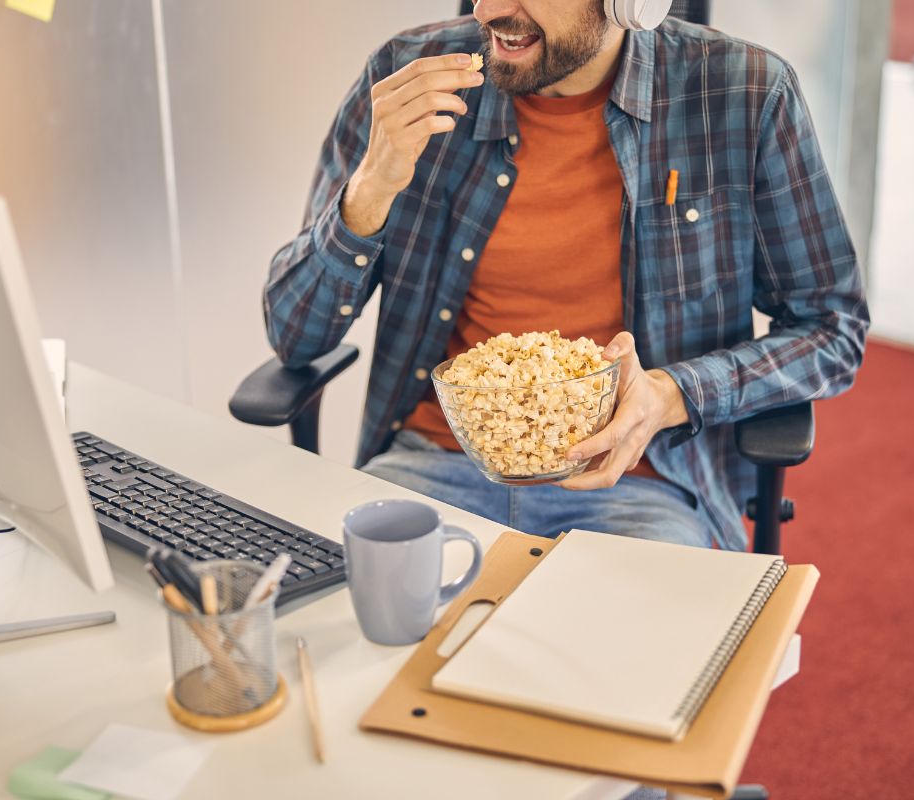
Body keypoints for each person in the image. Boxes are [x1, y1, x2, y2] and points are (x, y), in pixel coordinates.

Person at [265, 0, 869, 552]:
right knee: (328, 629)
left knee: (644, 662)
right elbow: (295, 336)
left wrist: (672, 395)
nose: (489, 11)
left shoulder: (744, 93)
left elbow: (832, 328)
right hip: (432, 466)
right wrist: (371, 189)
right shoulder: (406, 76)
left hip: (642, 486)